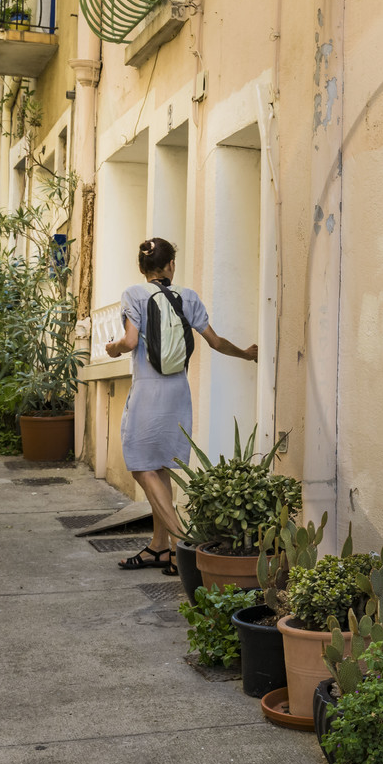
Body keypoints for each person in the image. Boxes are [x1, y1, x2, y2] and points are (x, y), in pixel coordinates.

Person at [104, 238, 257, 574]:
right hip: (178, 391)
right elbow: (214, 341)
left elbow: (130, 342)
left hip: (148, 391)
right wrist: (246, 353)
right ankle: (159, 548)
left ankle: (180, 544)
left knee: (141, 467)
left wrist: (113, 348)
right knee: (159, 468)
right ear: (171, 265)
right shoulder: (188, 297)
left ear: (142, 269)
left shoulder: (134, 294)